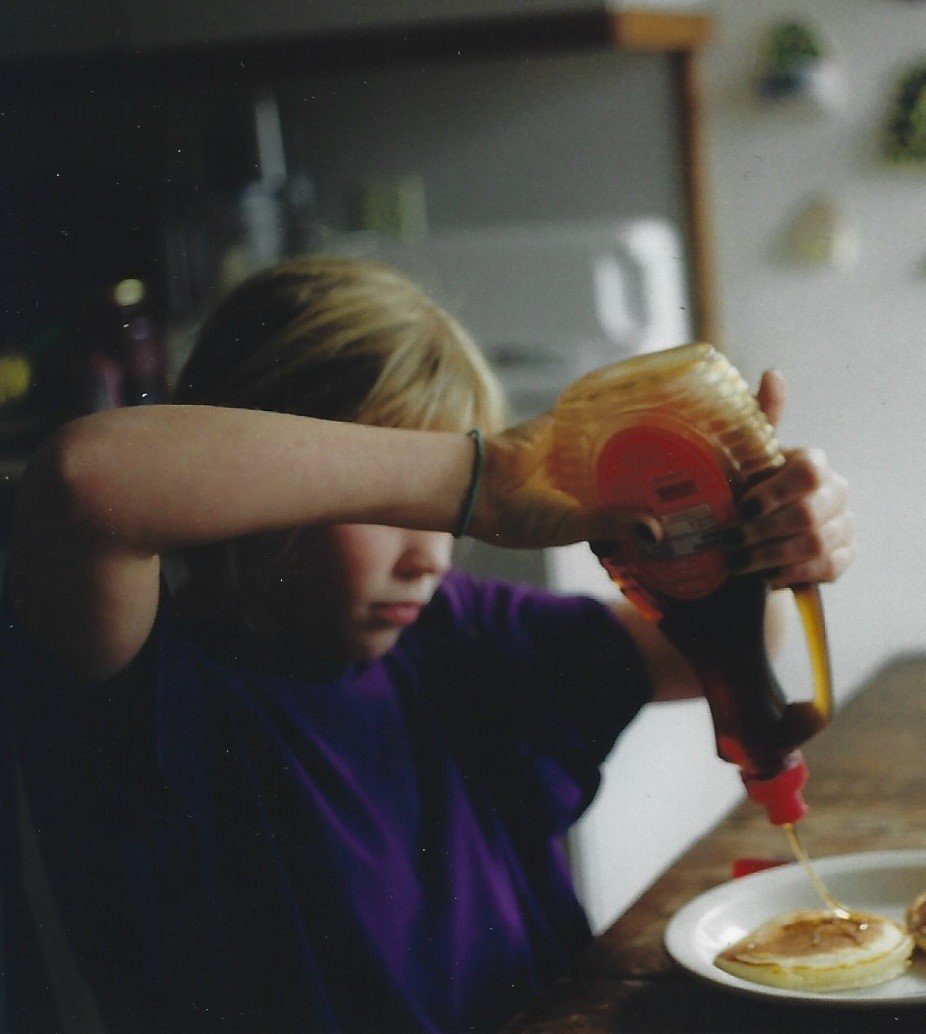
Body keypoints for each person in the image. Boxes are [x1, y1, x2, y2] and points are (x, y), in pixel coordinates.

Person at [0, 256, 854, 1031]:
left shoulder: (453, 633)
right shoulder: (155, 694)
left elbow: (697, 652)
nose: (432, 552)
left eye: (444, 520)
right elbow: (87, 481)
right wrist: (473, 483)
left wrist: (760, 553)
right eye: (400, 505)